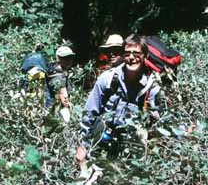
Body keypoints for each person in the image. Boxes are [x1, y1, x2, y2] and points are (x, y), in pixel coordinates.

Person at [76, 34, 161, 162]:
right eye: (127, 53)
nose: (131, 58)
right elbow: (90, 113)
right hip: (101, 144)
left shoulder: (151, 88)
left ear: (145, 56)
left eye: (136, 53)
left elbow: (159, 125)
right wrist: (83, 145)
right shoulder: (107, 79)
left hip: (132, 152)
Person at [45, 46, 75, 110]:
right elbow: (63, 95)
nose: (69, 61)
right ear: (58, 58)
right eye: (65, 58)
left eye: (70, 58)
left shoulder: (54, 69)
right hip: (53, 109)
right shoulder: (57, 75)